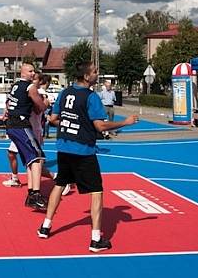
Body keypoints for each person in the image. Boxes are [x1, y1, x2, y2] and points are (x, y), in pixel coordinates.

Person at [37, 61, 138, 252]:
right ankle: (95, 239)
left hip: (64, 147)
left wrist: (71, 127)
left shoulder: (65, 92)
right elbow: (100, 126)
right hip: (83, 150)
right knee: (96, 191)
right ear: (86, 76)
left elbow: (53, 119)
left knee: (59, 185)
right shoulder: (91, 97)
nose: (97, 74)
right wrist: (125, 122)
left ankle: (45, 226)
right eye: (94, 72)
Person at [6, 63, 48, 209]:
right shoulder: (30, 88)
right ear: (23, 72)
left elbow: (10, 104)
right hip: (21, 125)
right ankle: (35, 195)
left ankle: (31, 193)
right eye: (30, 71)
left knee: (30, 160)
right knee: (37, 157)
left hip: (11, 125)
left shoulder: (15, 86)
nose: (33, 73)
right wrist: (47, 102)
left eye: (34, 71)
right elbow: (40, 107)